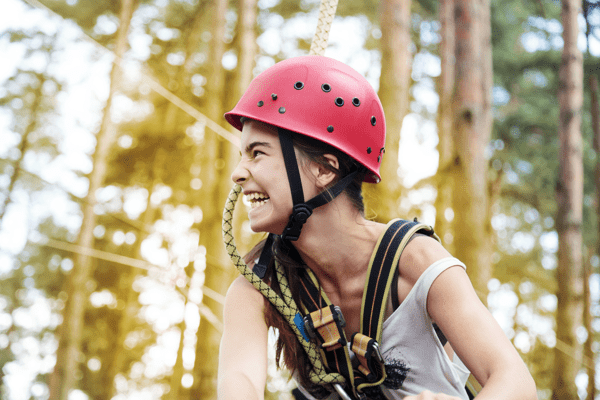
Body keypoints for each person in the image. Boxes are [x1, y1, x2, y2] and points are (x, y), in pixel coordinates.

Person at [217, 56, 537, 400]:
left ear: (325, 169)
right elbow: (240, 382)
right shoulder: (258, 284)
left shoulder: (416, 261)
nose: (238, 173)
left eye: (257, 153)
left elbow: (514, 382)